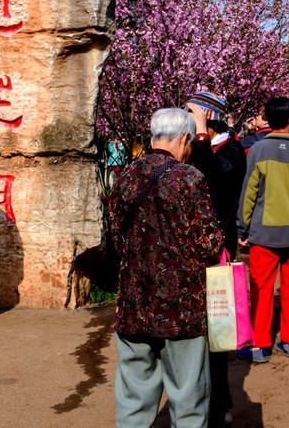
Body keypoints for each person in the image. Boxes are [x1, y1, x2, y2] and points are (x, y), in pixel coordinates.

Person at [108, 107, 223, 428]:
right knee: (187, 399)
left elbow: (118, 240)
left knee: (133, 400)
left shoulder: (125, 177)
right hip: (181, 310)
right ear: (186, 139)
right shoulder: (189, 178)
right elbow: (209, 244)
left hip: (133, 304)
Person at [236, 96, 289, 362]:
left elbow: (248, 193)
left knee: (261, 289)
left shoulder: (258, 151)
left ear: (268, 120)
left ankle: (261, 345)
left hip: (264, 234)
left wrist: (243, 229)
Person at [186, 92, 246, 428]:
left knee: (215, 333)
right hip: (191, 253)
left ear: (210, 118)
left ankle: (219, 401)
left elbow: (215, 179)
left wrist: (200, 133)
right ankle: (195, 398)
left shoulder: (232, 150)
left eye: (195, 114)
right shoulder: (199, 148)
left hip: (217, 251)